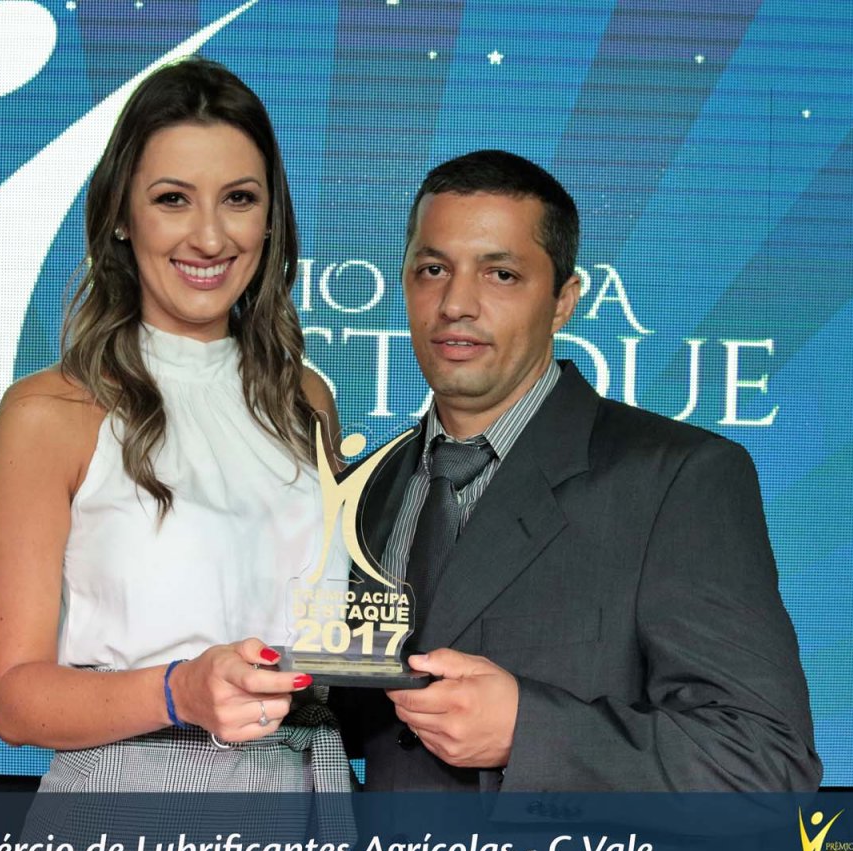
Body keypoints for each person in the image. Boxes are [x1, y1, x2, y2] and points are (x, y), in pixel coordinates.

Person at [331, 150, 823, 792]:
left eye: (501, 274)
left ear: (563, 300)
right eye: (433, 270)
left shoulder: (679, 479)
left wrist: (528, 733)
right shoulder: (361, 491)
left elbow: (764, 761)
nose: (456, 304)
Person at [0, 58, 352, 795]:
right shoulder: (48, 413)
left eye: (239, 199)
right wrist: (180, 690)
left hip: (312, 792)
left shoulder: (305, 397)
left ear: (270, 218)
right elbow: (14, 700)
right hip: (139, 795)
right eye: (173, 199)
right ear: (122, 216)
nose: (210, 237)